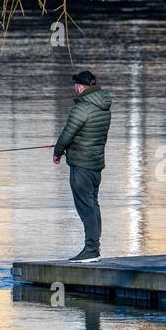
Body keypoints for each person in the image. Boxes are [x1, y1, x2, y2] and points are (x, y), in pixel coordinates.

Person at [53, 70, 113, 262]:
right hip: (95, 165)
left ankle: (91, 250)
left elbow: (67, 134)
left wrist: (58, 151)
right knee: (93, 206)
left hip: (81, 165)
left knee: (86, 208)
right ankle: (94, 248)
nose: (74, 89)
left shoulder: (81, 109)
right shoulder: (103, 106)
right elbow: (88, 134)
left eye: (75, 86)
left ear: (80, 86)